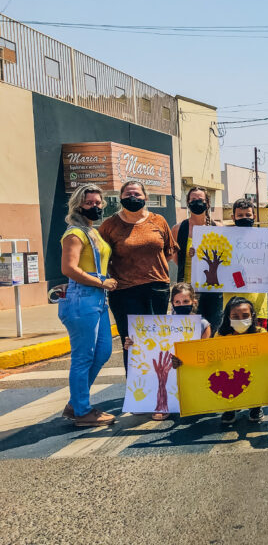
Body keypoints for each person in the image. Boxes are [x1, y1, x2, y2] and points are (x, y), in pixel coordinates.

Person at [99, 180, 179, 371]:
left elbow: (170, 250)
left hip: (156, 289)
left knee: (156, 339)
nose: (133, 198)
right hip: (124, 292)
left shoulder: (158, 220)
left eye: (137, 194)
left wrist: (152, 267)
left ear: (146, 197)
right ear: (120, 198)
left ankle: (159, 386)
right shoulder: (110, 225)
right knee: (131, 341)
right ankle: (136, 392)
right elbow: (101, 257)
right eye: (128, 195)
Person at [58, 184, 118, 427]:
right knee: (83, 357)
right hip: (83, 297)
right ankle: (82, 411)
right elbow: (68, 268)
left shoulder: (93, 232)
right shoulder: (75, 234)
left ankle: (76, 402)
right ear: (78, 205)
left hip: (97, 298)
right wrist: (100, 283)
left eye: (98, 202)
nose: (95, 206)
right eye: (89, 203)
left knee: (103, 352)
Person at [173, 296, 268, 424]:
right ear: (228, 317)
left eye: (245, 315)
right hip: (231, 373)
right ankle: (229, 408)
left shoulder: (261, 333)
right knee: (221, 375)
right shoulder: (220, 335)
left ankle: (256, 406)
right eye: (235, 316)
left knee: (259, 375)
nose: (241, 319)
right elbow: (209, 360)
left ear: (252, 316)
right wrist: (183, 361)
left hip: (252, 373)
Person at [123, 282, 212, 421]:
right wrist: (132, 344)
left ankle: (182, 400)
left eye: (186, 301)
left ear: (194, 302)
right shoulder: (160, 324)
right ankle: (161, 404)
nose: (182, 304)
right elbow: (147, 348)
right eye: (177, 301)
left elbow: (205, 355)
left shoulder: (202, 324)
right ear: (172, 303)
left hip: (190, 368)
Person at [221, 198, 268, 330]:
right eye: (240, 215)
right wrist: (196, 254)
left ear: (254, 216)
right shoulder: (224, 238)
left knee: (258, 343)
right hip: (232, 306)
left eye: (248, 215)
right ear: (233, 217)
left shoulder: (266, 240)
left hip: (258, 304)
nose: (244, 218)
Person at [172, 186, 223, 334]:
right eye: (193, 200)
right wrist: (191, 257)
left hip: (213, 288)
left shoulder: (217, 227)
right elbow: (176, 259)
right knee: (189, 331)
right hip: (189, 290)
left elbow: (227, 255)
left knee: (212, 329)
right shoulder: (178, 228)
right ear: (188, 203)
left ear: (207, 203)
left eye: (200, 200)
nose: (197, 203)